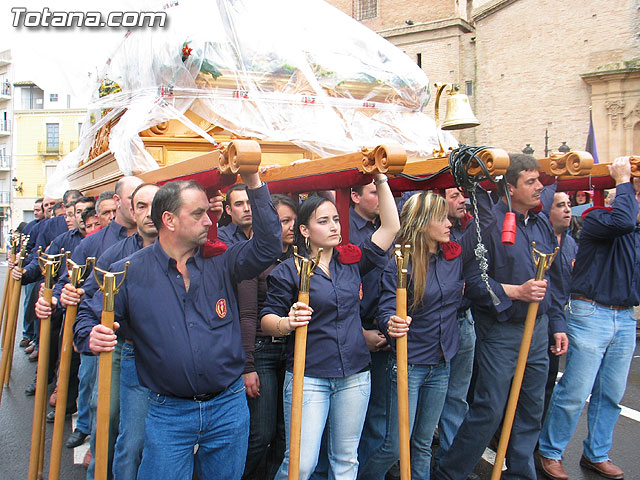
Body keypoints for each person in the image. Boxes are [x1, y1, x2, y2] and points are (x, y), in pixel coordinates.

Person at [86, 172, 282, 479]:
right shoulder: (128, 272)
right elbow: (90, 314)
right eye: (198, 213)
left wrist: (254, 180)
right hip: (168, 414)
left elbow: (269, 246)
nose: (208, 221)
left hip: (228, 408)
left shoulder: (224, 261)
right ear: (170, 219)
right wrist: (91, 334)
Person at [433, 153, 569, 480]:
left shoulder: (540, 224)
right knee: (489, 410)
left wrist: (557, 324)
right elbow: (470, 281)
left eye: (540, 180)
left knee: (531, 409)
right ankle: (451, 473)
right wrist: (515, 292)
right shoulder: (488, 225)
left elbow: (555, 278)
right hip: (501, 331)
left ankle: (520, 474)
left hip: (537, 330)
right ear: (510, 187)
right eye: (531, 182)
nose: (540, 188)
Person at [261, 173, 400, 480]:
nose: (334, 226)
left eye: (335, 219)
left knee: (346, 461)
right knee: (302, 463)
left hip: (355, 373)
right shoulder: (290, 271)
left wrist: (380, 178)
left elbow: (391, 227)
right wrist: (287, 322)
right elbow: (266, 321)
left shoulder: (350, 261)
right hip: (308, 375)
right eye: (323, 221)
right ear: (305, 230)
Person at [537, 157, 638, 480]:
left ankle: (597, 453)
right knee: (575, 391)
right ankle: (550, 452)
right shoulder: (598, 219)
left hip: (624, 317)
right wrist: (623, 180)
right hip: (591, 312)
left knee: (610, 393)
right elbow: (622, 221)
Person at [359, 192, 463, 480]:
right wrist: (390, 323)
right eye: (440, 218)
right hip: (409, 363)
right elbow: (386, 307)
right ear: (421, 222)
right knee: (393, 446)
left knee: (423, 442)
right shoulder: (398, 261)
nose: (448, 223)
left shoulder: (453, 256)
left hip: (442, 361)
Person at [241, 194, 297, 480]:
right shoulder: (255, 257)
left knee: (285, 433)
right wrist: (248, 365)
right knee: (260, 433)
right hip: (262, 350)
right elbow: (248, 314)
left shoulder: (300, 258)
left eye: (292, 220)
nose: (289, 226)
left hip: (292, 349)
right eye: (282, 221)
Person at [433, 188, 476, 474]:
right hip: (436, 325)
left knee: (456, 397)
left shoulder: (469, 229)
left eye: (465, 194)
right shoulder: (432, 241)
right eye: (453, 195)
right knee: (431, 397)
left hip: (464, 320)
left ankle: (450, 462)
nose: (463, 200)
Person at [349, 181, 391, 477]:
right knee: (349, 419)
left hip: (383, 330)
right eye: (374, 191)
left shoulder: (386, 227)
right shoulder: (344, 230)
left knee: (379, 412)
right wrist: (359, 333)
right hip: (355, 331)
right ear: (354, 196)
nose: (380, 198)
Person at [540, 191, 577, 425]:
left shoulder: (572, 243)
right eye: (560, 205)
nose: (567, 210)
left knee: (547, 382)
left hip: (559, 317)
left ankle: (537, 436)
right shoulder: (540, 243)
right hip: (541, 319)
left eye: (569, 205)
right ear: (548, 211)